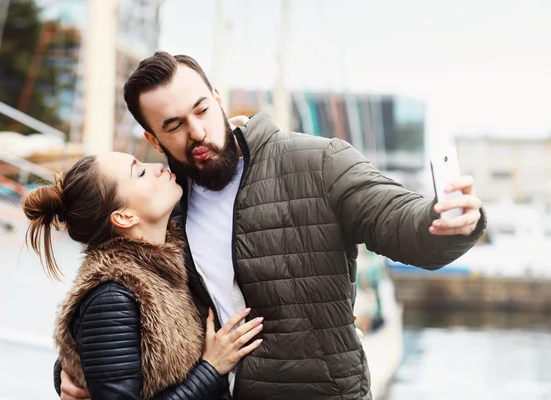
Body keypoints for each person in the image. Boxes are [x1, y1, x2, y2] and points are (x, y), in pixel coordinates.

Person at [58, 52, 486, 400]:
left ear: (218, 98)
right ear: (154, 139)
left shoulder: (316, 161)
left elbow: (398, 221)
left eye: (202, 110)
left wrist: (449, 221)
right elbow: (120, 310)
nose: (197, 132)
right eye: (173, 126)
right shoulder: (165, 202)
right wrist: (71, 373)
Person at [24, 152, 264, 399]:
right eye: (139, 172)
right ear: (124, 217)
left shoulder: (163, 265)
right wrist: (211, 370)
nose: (157, 167)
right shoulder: (113, 295)